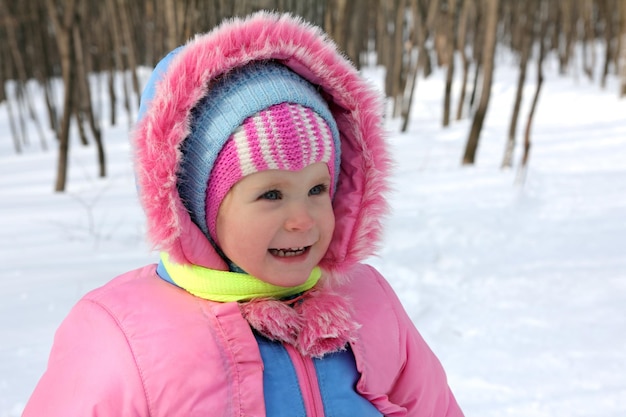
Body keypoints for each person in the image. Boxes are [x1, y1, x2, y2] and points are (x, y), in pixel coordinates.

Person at [23, 12, 464, 417]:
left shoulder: (370, 301)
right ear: (200, 207)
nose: (303, 219)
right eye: (271, 194)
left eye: (316, 189)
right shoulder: (124, 335)